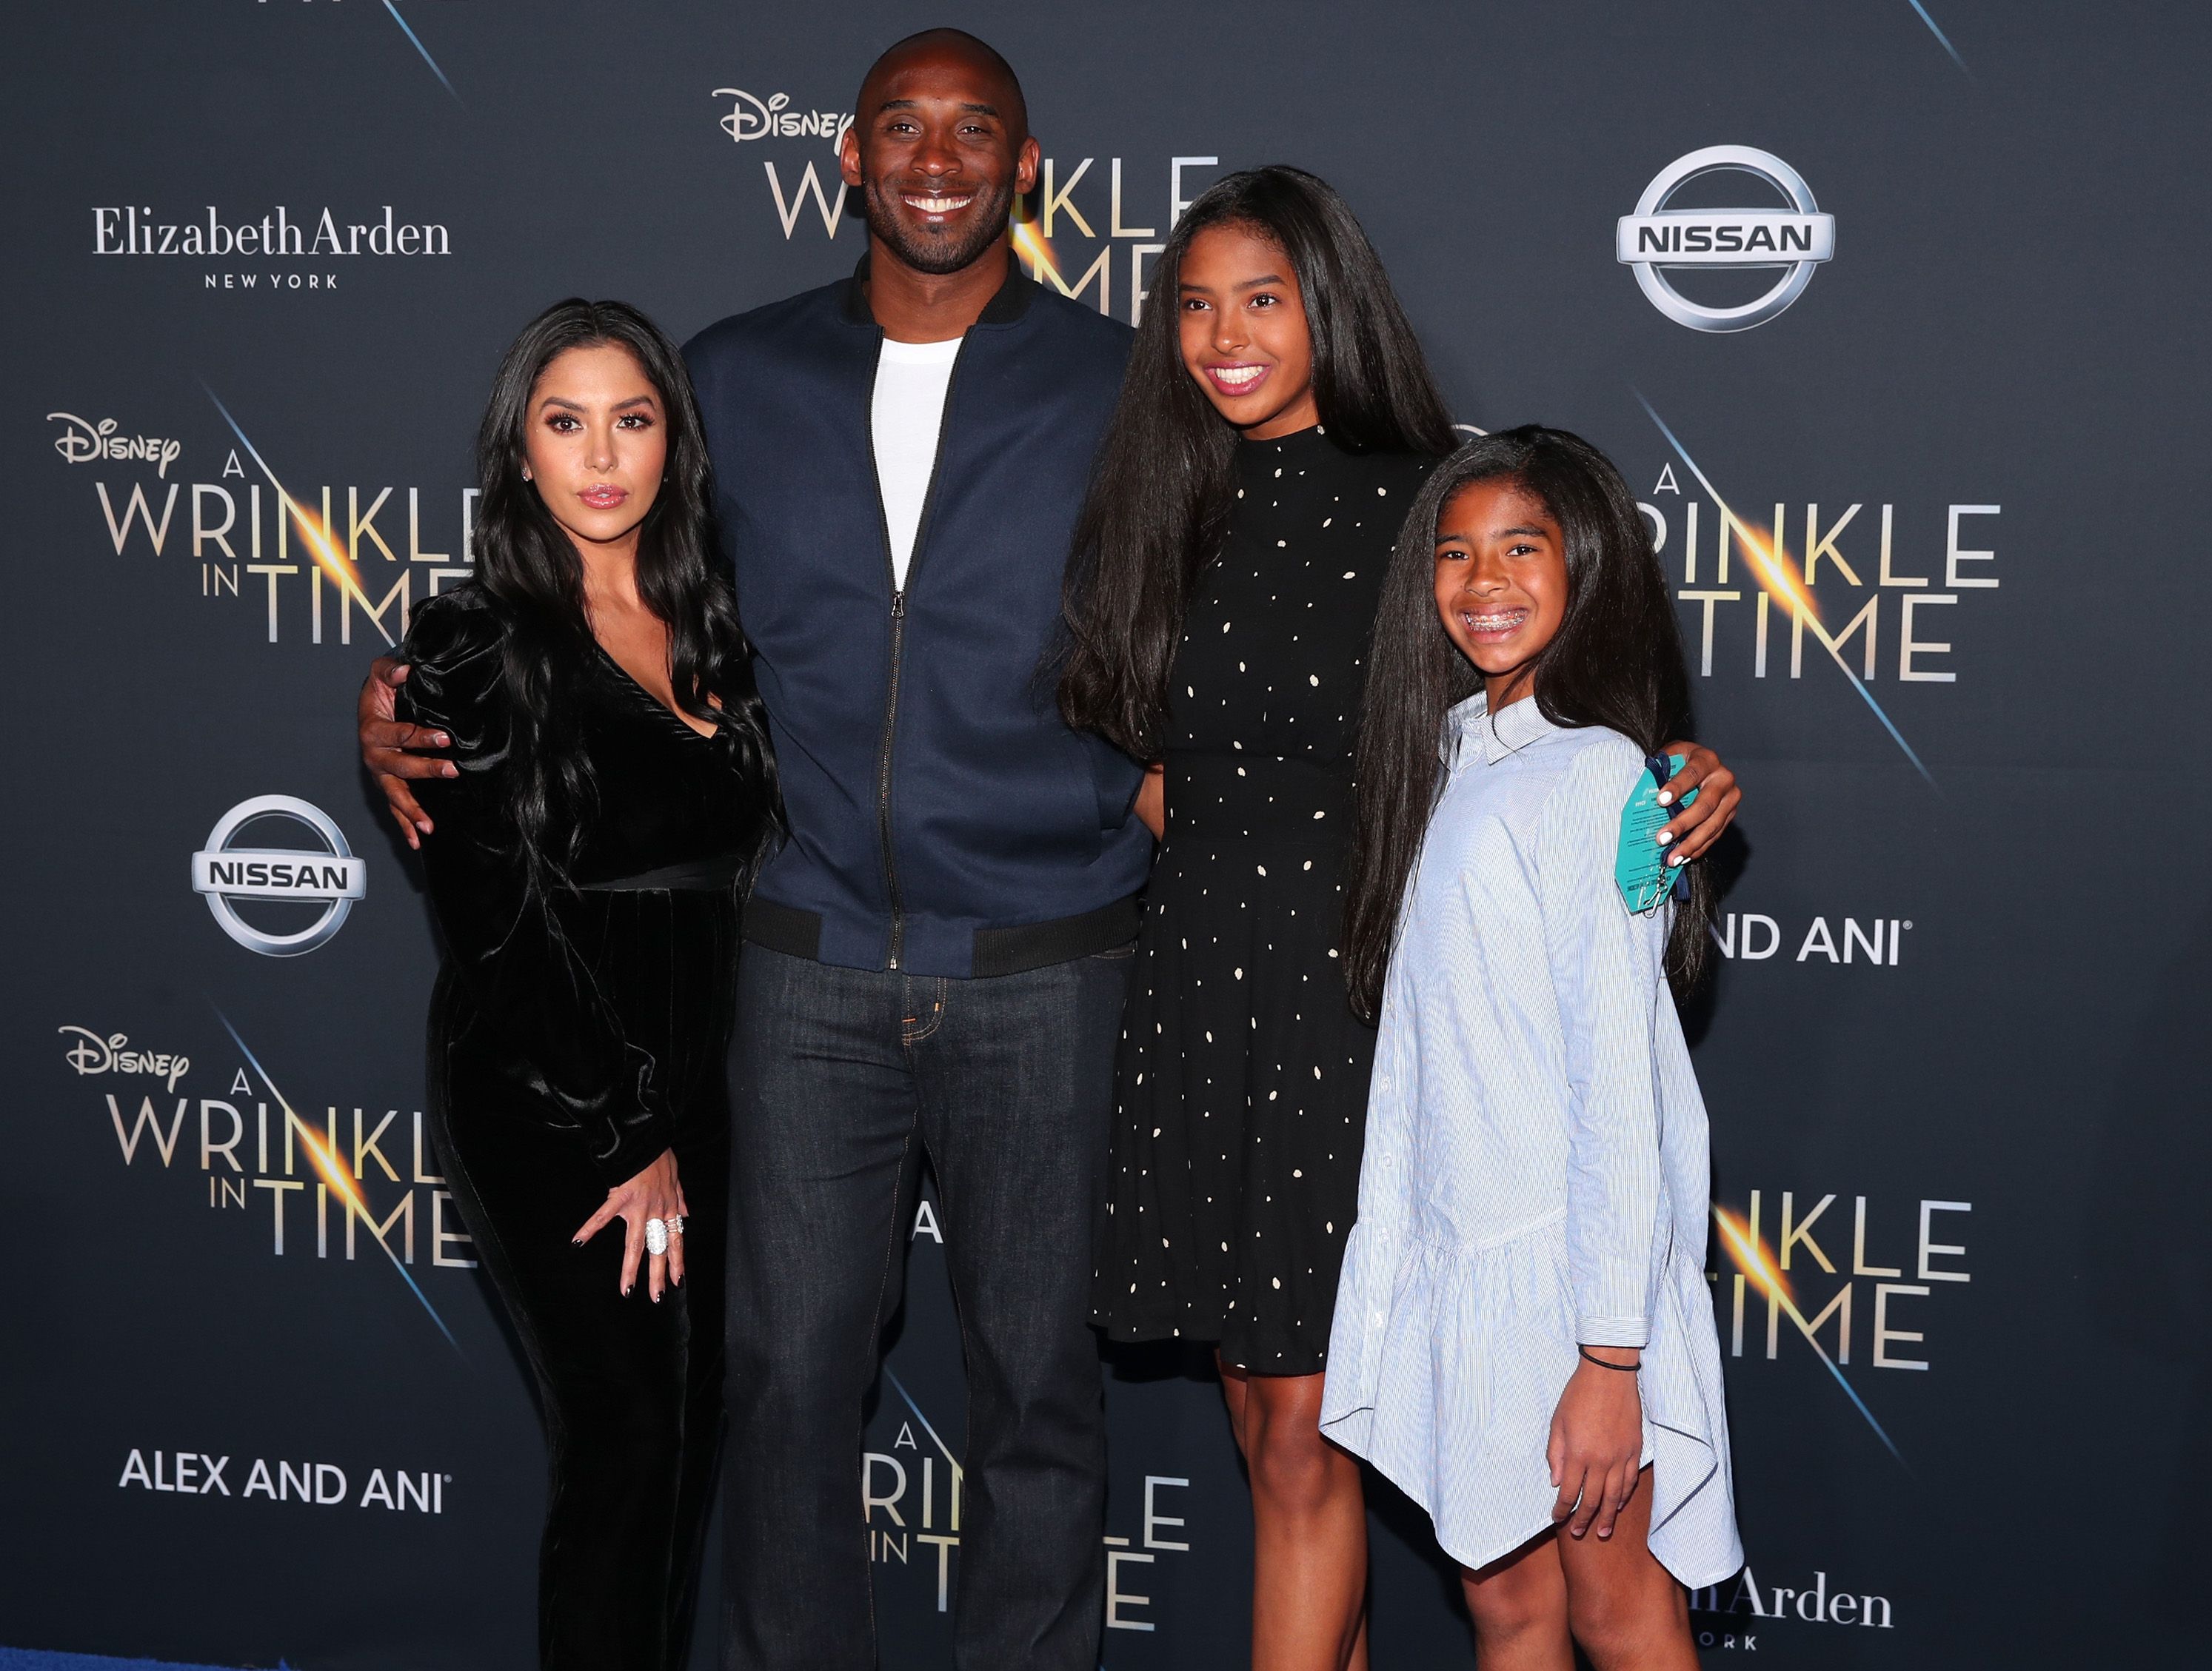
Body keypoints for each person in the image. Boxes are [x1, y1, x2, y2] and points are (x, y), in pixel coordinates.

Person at [363, 30, 1142, 1671]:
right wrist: (410, 699)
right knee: (781, 1392)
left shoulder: (1127, 384)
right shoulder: (727, 373)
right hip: (798, 969)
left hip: (1047, 959)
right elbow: (589, 596)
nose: (938, 159)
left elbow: (1270, 608)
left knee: (1040, 1402)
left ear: (1026, 164)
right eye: (902, 129)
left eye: (975, 129)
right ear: (847, 161)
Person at [1060, 173, 1740, 1671]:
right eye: (1194, 304)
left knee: (1307, 1434)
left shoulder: (1428, 497)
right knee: (1263, 1424)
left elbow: (1562, 686)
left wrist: (1678, 774)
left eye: (1265, 299)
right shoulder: (1166, 497)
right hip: (1198, 994)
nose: (1225, 337)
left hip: (1352, 1004)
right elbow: (1128, 740)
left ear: (1333, 302)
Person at [395, 299, 778, 1671]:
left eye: (633, 419)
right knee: (624, 1444)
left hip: (701, 1091)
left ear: (674, 441)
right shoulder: (471, 646)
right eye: (566, 423)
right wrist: (630, 1136)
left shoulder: (714, 621)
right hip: (557, 1096)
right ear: (520, 452)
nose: (601, 456)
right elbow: (494, 922)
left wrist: (684, 1122)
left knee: (683, 1440)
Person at [1321, 429, 1741, 1670]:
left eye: (1521, 548)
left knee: (1623, 1613)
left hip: (1570, 1286)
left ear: (1587, 567)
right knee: (1507, 1612)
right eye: (1454, 553)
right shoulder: (1449, 747)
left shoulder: (1600, 774)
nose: (1483, 580)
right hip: (1469, 1266)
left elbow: (1619, 1088)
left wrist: (1609, 1356)